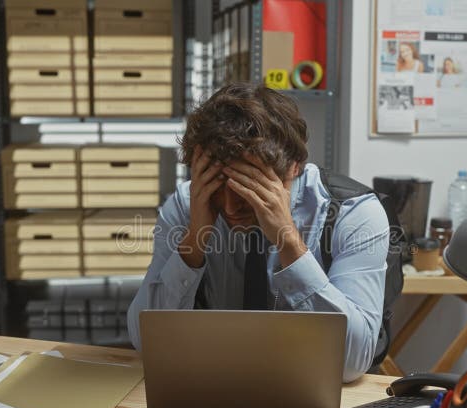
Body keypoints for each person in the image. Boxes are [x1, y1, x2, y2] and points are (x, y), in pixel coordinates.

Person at [127, 83, 390, 382]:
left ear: (294, 167)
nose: (230, 207)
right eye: (219, 188)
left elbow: (352, 362)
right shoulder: (189, 205)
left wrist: (288, 242)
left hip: (311, 389)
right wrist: (194, 239)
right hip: (215, 381)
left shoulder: (352, 213)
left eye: (247, 189)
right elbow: (144, 342)